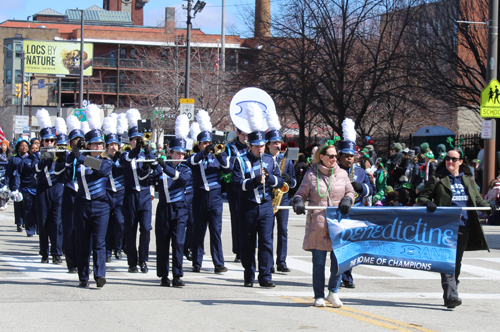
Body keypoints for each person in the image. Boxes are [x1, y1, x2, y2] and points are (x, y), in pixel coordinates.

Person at [417, 148, 494, 309]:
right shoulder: (437, 179)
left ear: (460, 162)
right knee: (447, 260)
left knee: (456, 262)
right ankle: (451, 294)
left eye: (453, 159)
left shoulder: (468, 180)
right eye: (447, 159)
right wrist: (428, 203)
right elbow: (422, 197)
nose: (450, 161)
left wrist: (489, 207)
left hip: (464, 226)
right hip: (444, 227)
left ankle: (452, 288)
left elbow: (478, 200)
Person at [292, 140, 355, 307]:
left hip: (337, 225)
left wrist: (348, 199)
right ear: (321, 157)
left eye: (336, 156)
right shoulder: (311, 175)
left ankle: (333, 292)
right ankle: (318, 295)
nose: (335, 159)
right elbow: (300, 193)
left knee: (338, 263)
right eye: (331, 156)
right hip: (318, 225)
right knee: (319, 264)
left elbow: (350, 191)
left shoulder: (342, 174)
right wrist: (298, 201)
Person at [232, 124, 284, 287]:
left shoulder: (270, 160)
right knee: (248, 242)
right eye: (257, 146)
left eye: (262, 146)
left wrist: (269, 179)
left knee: (266, 241)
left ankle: (265, 276)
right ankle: (249, 274)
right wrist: (252, 182)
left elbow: (280, 181)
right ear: (250, 146)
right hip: (247, 206)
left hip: (266, 205)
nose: (261, 149)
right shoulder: (240, 160)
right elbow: (236, 184)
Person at [70, 117, 113, 288]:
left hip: (101, 205)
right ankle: (83, 276)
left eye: (100, 144)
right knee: (82, 241)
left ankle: (99, 275)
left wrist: (81, 158)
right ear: (88, 145)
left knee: (99, 242)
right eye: (94, 144)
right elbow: (65, 170)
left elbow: (101, 169)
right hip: (82, 205)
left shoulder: (106, 161)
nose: (98, 147)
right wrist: (73, 154)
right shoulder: (78, 161)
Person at [186, 110, 230, 273]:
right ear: (199, 145)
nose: (207, 145)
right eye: (204, 143)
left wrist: (218, 155)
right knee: (198, 230)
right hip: (199, 198)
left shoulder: (219, 155)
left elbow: (228, 168)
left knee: (215, 231)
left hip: (215, 198)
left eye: (208, 143)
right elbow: (190, 162)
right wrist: (202, 153)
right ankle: (197, 262)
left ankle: (218, 263)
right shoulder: (196, 156)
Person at [154, 119, 191, 287]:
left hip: (179, 209)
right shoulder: (161, 167)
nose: (180, 156)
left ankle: (177, 275)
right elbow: (148, 179)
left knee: (178, 243)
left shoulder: (185, 168)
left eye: (182, 154)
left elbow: (181, 179)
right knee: (162, 243)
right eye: (177, 153)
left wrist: (164, 168)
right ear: (171, 153)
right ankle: (163, 275)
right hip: (163, 208)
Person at [120, 108, 157, 273]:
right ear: (130, 141)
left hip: (144, 195)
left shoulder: (148, 154)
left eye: (140, 139)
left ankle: (143, 260)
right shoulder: (127, 154)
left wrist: (148, 151)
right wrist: (136, 150)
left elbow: (156, 168)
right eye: (135, 139)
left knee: (146, 229)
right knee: (130, 229)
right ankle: (132, 263)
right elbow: (126, 161)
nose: (138, 142)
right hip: (130, 195)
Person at [32, 109, 65, 264]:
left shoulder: (60, 152)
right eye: (47, 141)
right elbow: (36, 171)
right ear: (42, 141)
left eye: (52, 140)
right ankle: (44, 253)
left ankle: (57, 253)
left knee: (57, 222)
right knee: (43, 222)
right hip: (43, 190)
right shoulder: (37, 155)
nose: (50, 143)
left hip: (57, 190)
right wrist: (46, 158)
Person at [265, 125, 296, 273]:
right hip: (268, 197)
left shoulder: (287, 160)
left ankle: (281, 261)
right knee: (268, 231)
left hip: (282, 197)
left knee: (283, 229)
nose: (277, 145)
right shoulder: (264, 159)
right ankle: (269, 262)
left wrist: (289, 180)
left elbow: (295, 182)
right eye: (274, 142)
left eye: (279, 142)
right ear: (268, 144)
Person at [61, 115, 85, 273]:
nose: (78, 142)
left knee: (84, 230)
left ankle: (84, 261)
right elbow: (61, 174)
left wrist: (81, 157)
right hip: (70, 193)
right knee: (69, 229)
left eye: (80, 139)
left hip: (85, 195)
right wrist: (71, 157)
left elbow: (98, 168)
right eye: (75, 140)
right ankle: (71, 262)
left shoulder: (89, 156)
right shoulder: (64, 156)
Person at [102, 116, 125, 262]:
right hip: (105, 194)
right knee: (106, 224)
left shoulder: (123, 159)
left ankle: (118, 247)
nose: (114, 147)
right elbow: (87, 162)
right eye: (111, 144)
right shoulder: (101, 159)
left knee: (119, 222)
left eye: (116, 144)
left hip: (120, 194)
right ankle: (107, 251)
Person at [225, 129, 248, 263]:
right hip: (234, 187)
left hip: (249, 186)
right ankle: (238, 250)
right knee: (237, 218)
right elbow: (227, 166)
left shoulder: (252, 148)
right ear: (238, 134)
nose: (246, 137)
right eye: (243, 134)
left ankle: (248, 248)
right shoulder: (230, 148)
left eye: (247, 135)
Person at [7, 139, 30, 232]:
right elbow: (8, 173)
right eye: (21, 146)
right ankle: (19, 223)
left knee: (27, 205)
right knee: (18, 205)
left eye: (25, 146)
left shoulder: (30, 159)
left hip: (27, 185)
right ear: (18, 147)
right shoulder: (14, 159)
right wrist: (8, 185)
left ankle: (26, 222)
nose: (24, 148)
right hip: (16, 185)